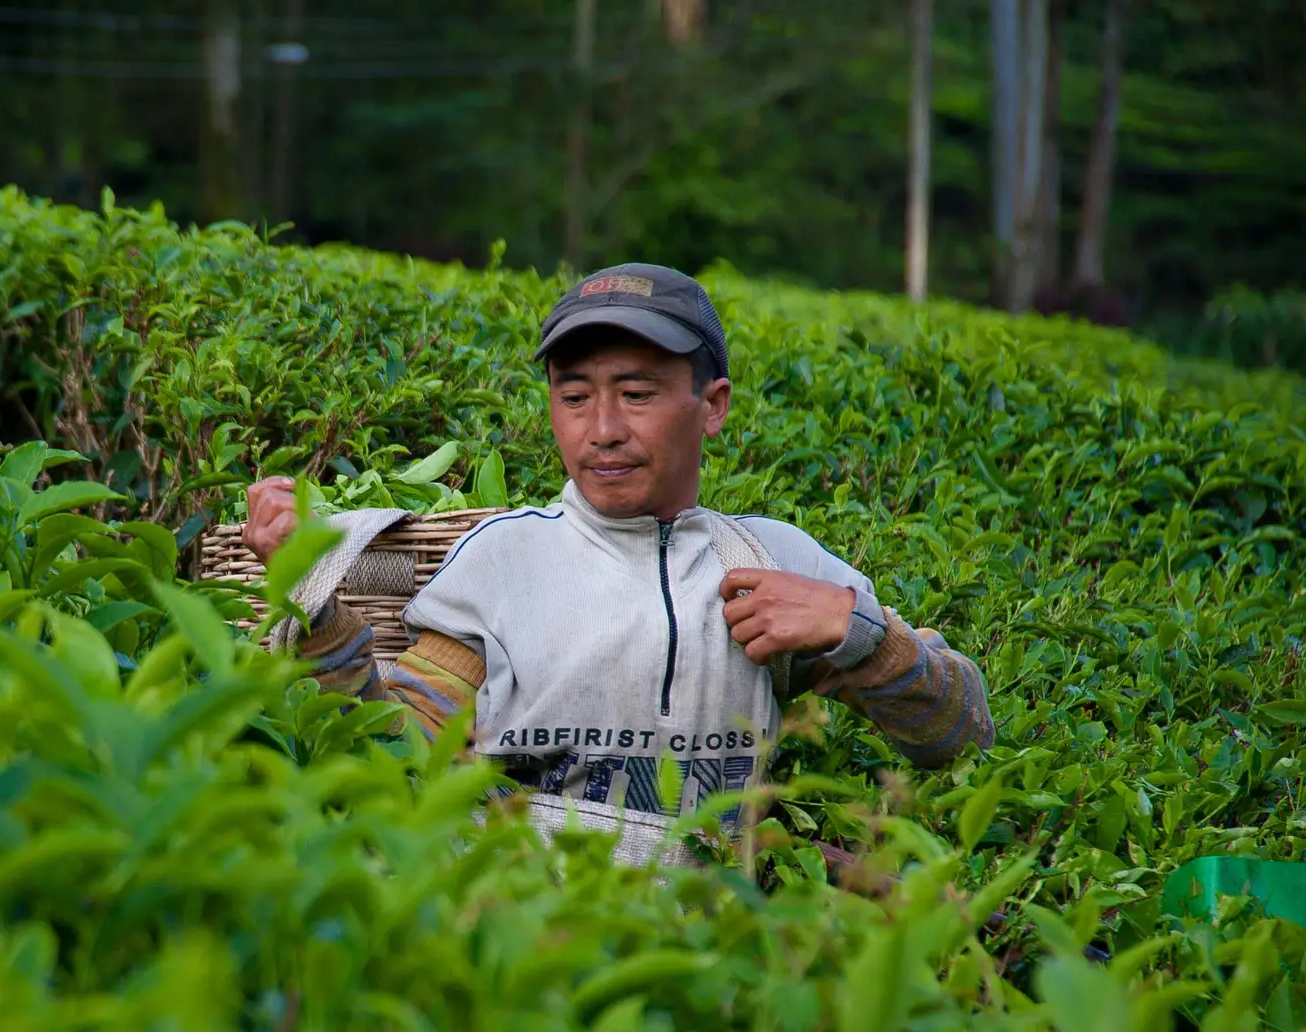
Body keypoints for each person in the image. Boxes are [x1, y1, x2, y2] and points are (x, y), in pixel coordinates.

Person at [242, 263, 994, 865]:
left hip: (703, 963)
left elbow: (956, 734)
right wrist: (314, 604)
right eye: (574, 397)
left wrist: (856, 632)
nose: (602, 430)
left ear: (713, 404)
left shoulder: (769, 562)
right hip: (514, 929)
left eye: (637, 394)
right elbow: (391, 762)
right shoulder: (504, 563)